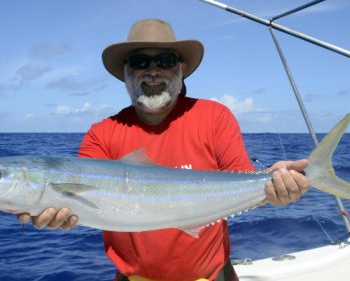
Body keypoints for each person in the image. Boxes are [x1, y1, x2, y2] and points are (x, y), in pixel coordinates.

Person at [18, 19, 309, 281]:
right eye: (140, 61)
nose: (153, 70)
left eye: (165, 60)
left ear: (181, 70)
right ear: (126, 73)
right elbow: (83, 203)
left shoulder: (214, 116)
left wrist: (276, 188)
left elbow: (247, 186)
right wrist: (59, 214)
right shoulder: (102, 133)